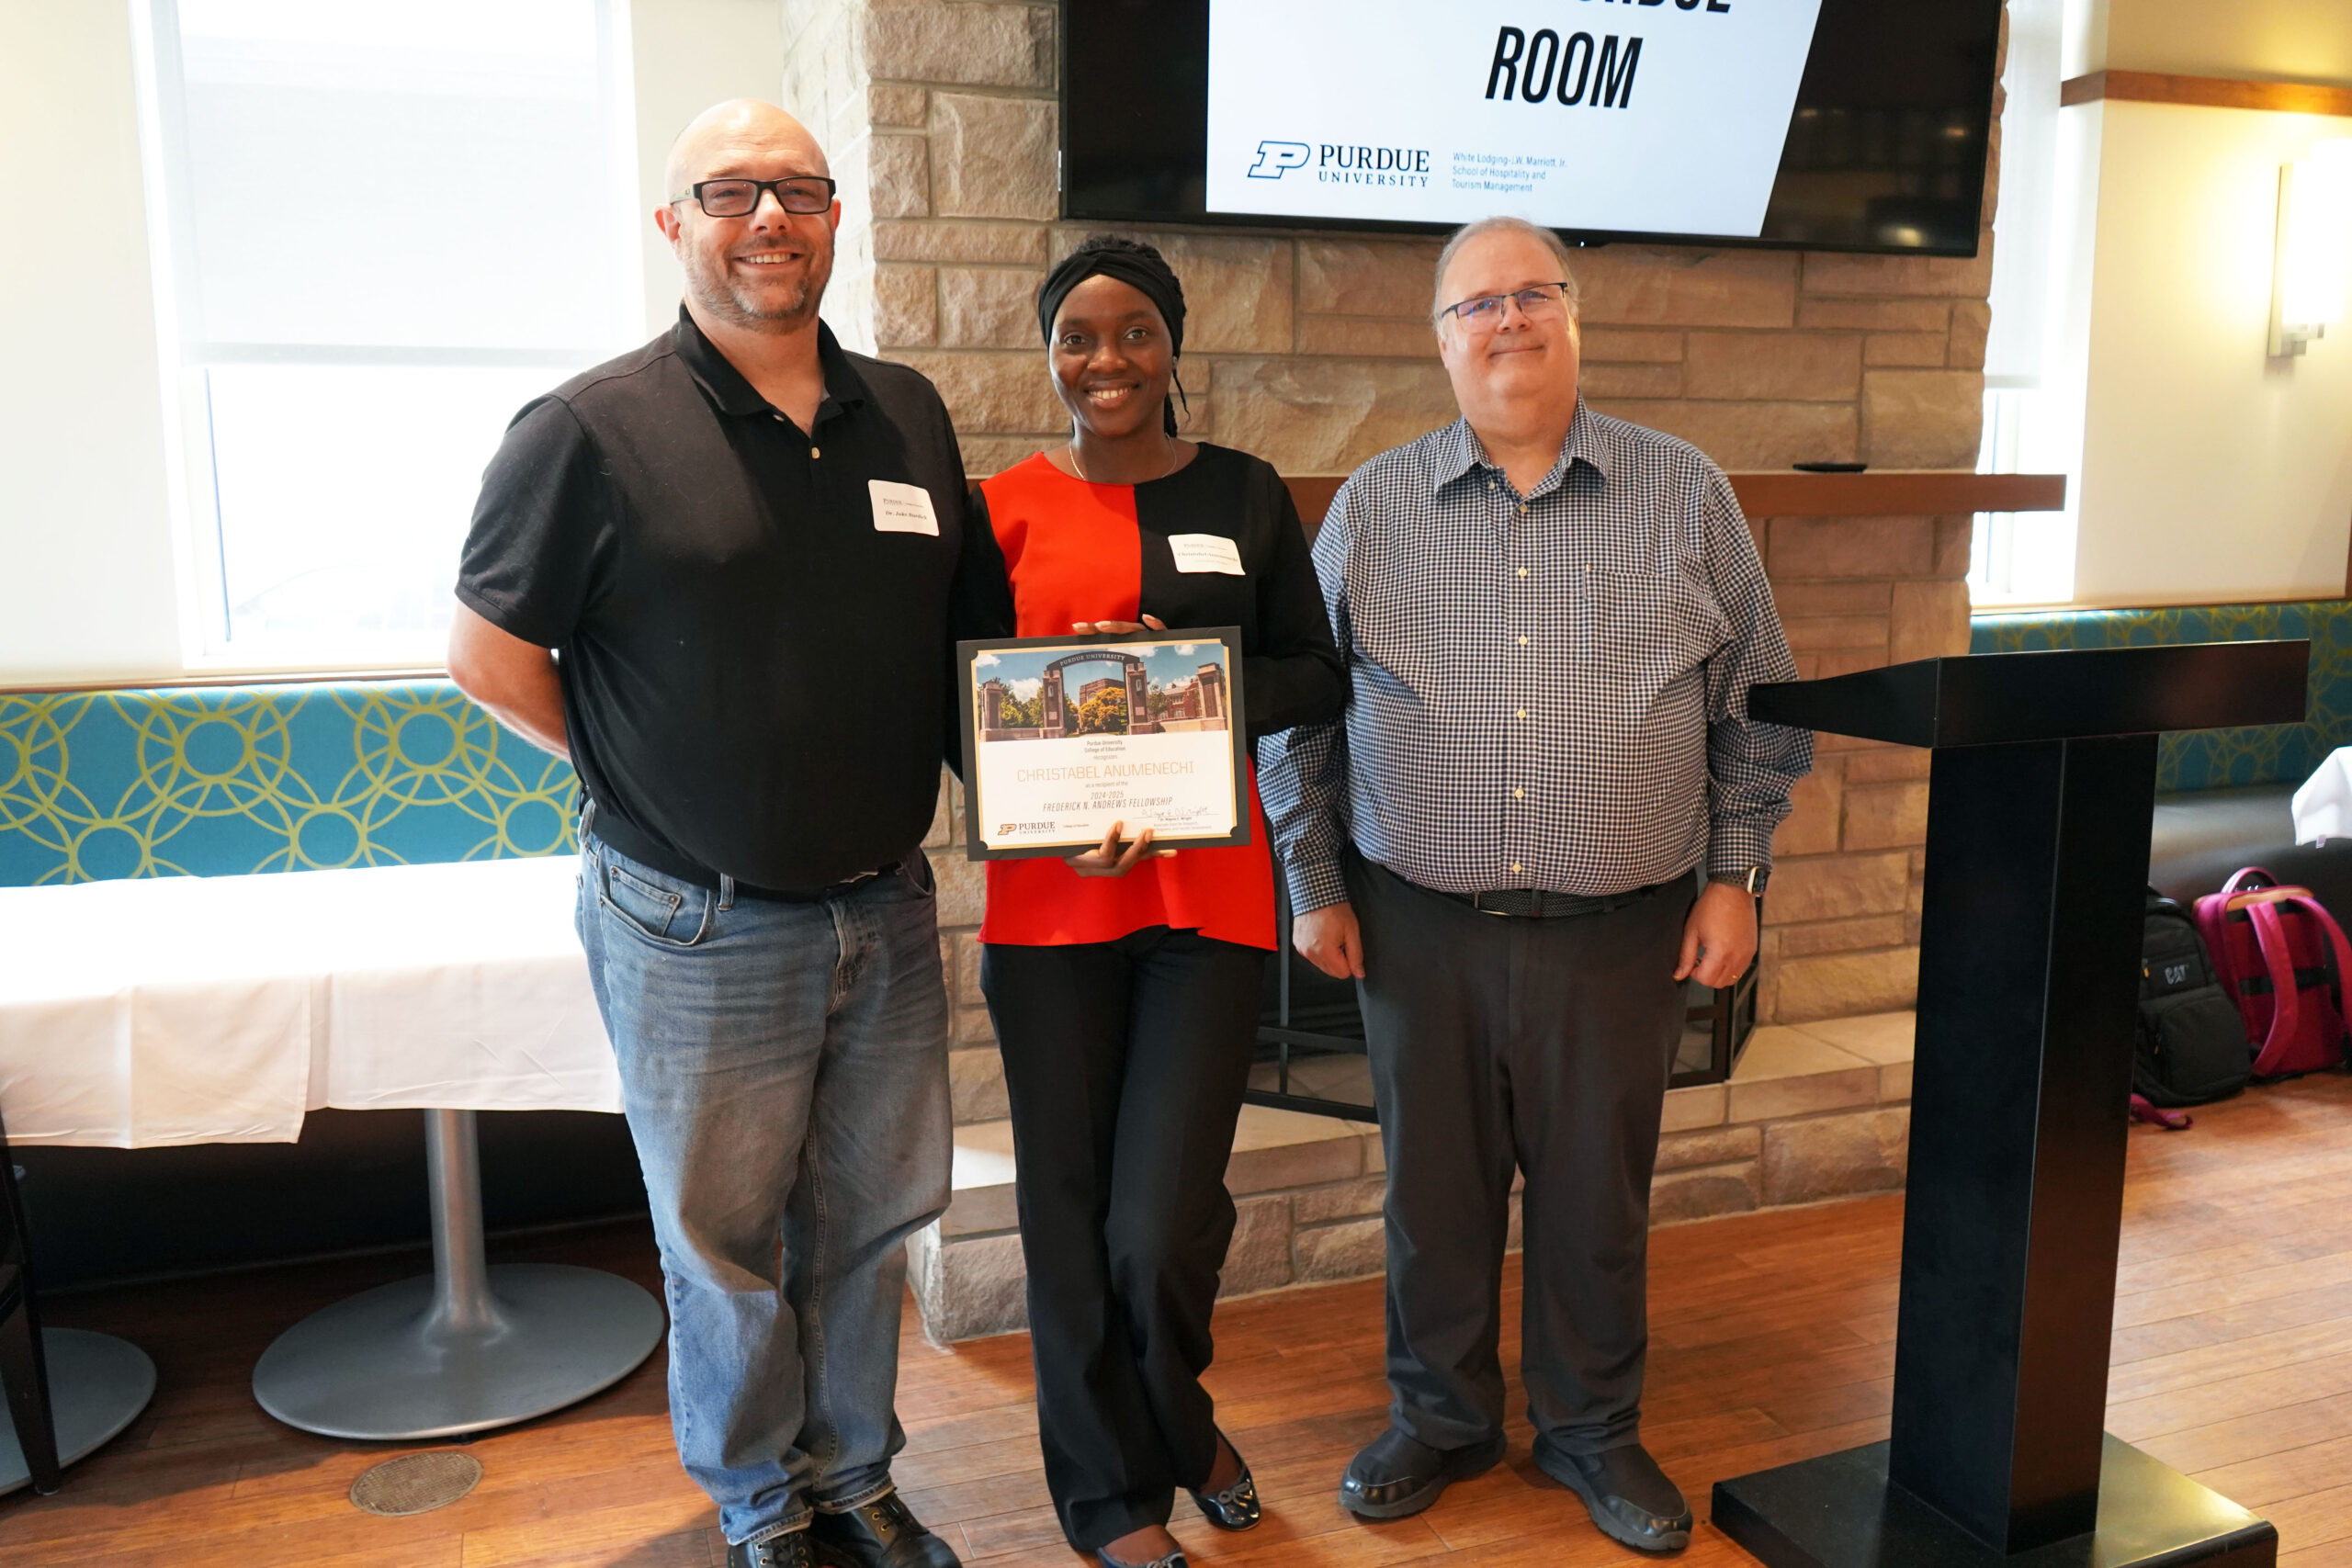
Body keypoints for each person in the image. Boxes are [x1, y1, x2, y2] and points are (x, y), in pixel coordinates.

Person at [447, 100, 975, 1568]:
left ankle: (855, 1477)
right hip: (695, 921)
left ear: (833, 221)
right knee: (727, 1251)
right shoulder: (587, 430)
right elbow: (488, 656)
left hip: (884, 906)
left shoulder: (909, 414)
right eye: (730, 192)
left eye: (797, 192)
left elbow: (957, 641)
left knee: (872, 1228)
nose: (767, 219)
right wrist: (636, 772)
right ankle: (759, 1505)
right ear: (672, 220)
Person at [1258, 215, 1813, 1555]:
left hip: (1621, 930)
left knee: (1593, 1198)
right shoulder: (1373, 508)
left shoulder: (1686, 494)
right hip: (1415, 927)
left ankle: (1590, 1433)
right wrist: (1314, 878)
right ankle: (1440, 1420)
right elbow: (1298, 719)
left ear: (1574, 318)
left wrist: (1735, 875)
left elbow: (1762, 702)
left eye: (1532, 296)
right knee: (1433, 1198)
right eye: (1476, 305)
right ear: (1440, 341)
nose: (1507, 322)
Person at [960, 236, 1347, 1568]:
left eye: (1133, 332)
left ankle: (1179, 1423)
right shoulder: (995, 508)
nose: (1105, 359)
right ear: (1050, 352)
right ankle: (1115, 1500)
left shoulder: (1246, 496)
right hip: (1051, 912)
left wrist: (1194, 673)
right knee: (1068, 1217)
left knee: (1162, 1222)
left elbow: (1319, 673)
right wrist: (1058, 793)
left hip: (1211, 908)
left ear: (1174, 344)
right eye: (1078, 335)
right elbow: (964, 716)